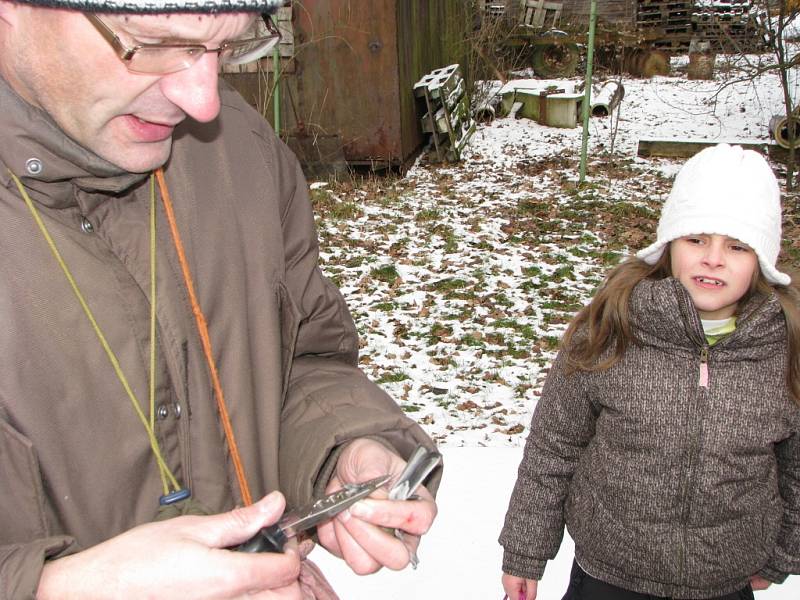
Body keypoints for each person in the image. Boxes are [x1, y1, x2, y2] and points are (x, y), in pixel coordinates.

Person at [0, 0, 441, 597]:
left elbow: (302, 359)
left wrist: (335, 450)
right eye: (156, 43)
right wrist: (55, 590)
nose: (202, 102)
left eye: (228, 48)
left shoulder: (240, 148)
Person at [499, 144, 800, 600]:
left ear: (761, 261)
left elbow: (795, 470)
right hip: (608, 577)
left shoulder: (784, 349)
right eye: (696, 238)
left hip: (723, 583)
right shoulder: (611, 329)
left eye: (737, 246)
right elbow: (553, 446)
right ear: (668, 245)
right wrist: (525, 552)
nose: (713, 258)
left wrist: (783, 554)